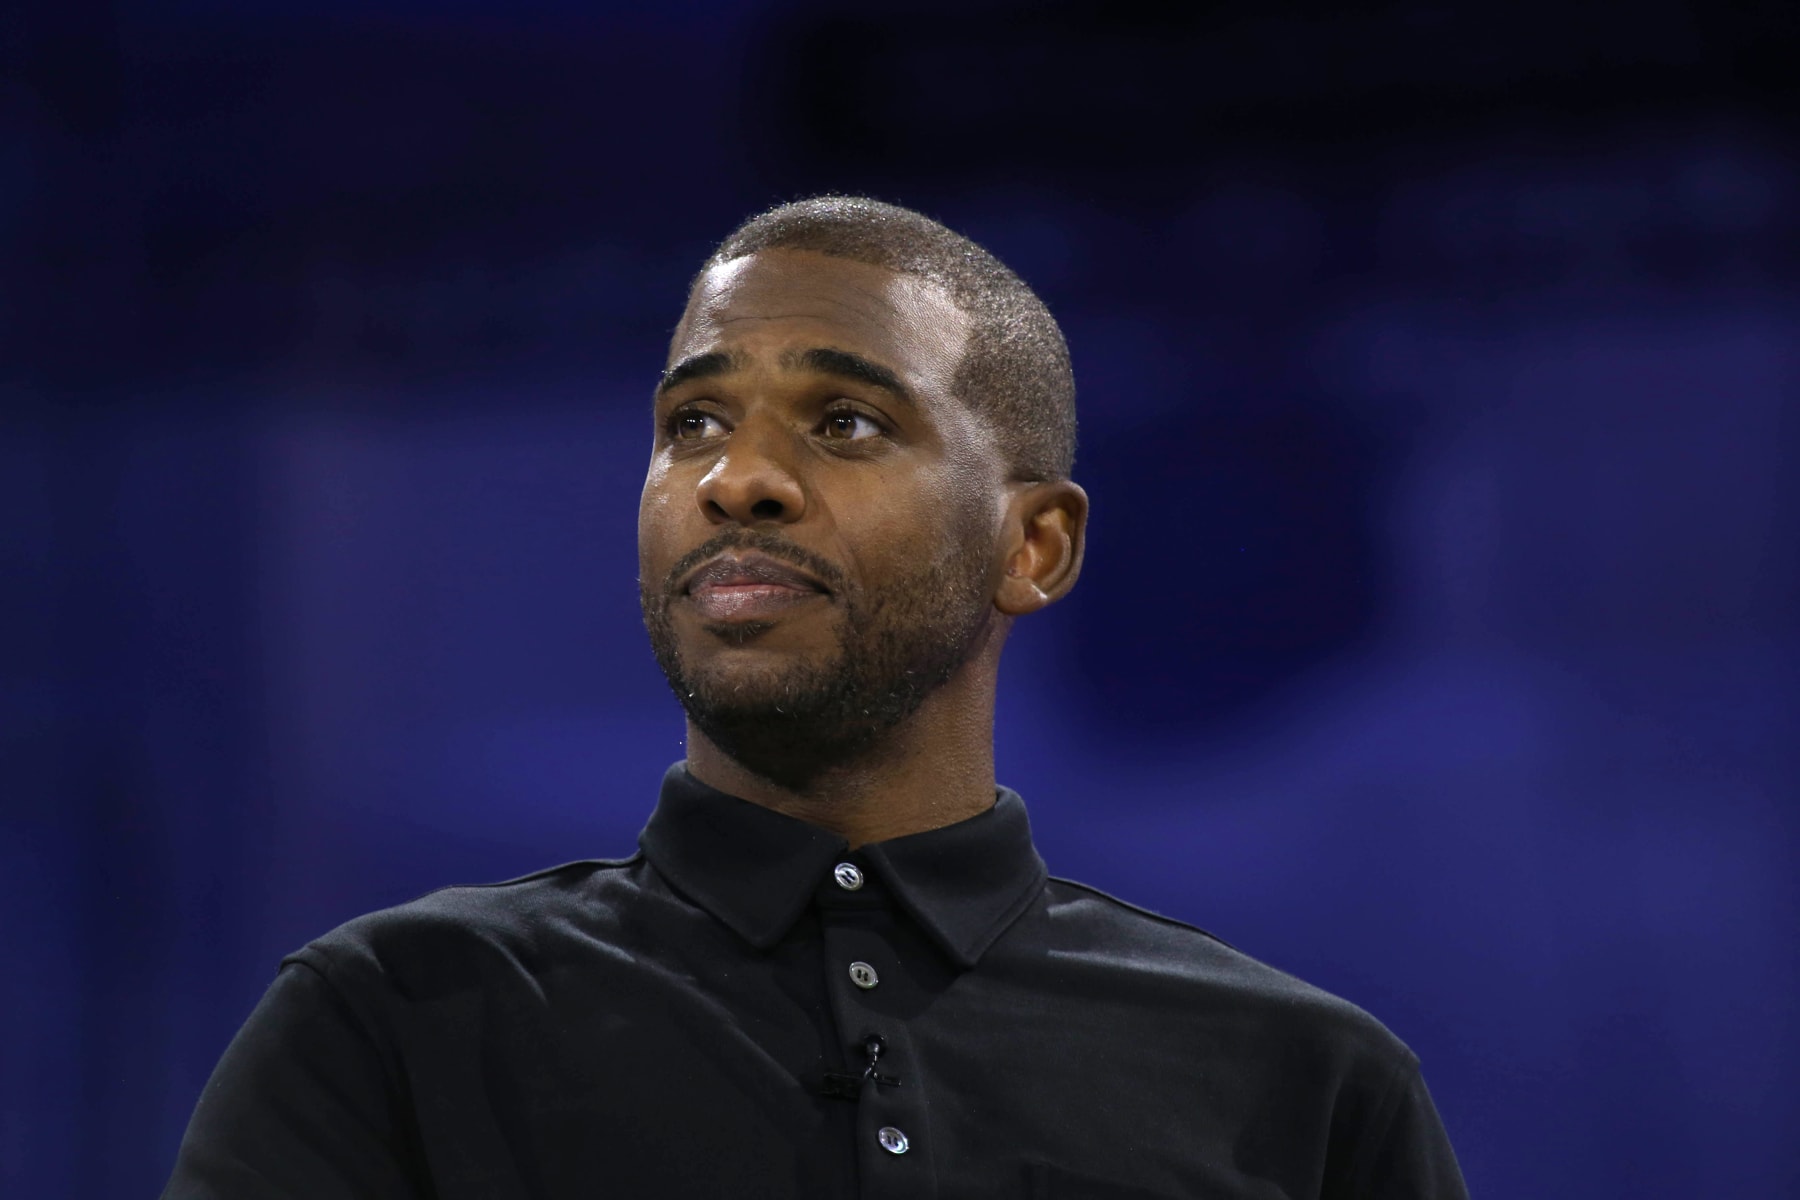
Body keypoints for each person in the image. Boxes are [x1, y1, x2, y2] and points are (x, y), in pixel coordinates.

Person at [163, 197, 1468, 1198]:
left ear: (1035, 546)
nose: (735, 480)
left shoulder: (1304, 1084)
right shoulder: (399, 1017)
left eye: (845, 422)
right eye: (692, 424)